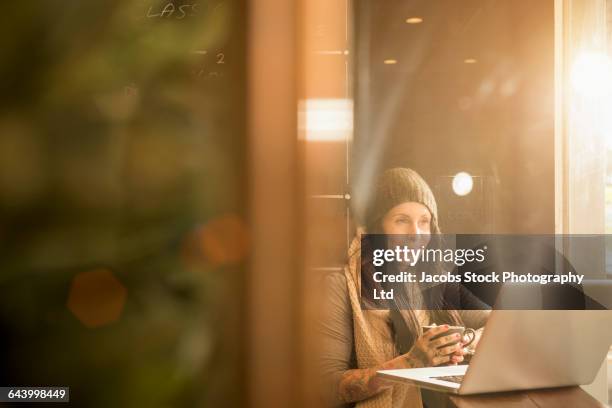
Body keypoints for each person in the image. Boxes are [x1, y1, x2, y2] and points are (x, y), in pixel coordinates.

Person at [319, 168, 490, 408]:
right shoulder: (341, 287)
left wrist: (458, 343)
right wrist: (410, 363)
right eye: (402, 221)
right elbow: (327, 387)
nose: (416, 234)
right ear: (377, 228)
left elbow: (494, 324)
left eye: (424, 222)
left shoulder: (437, 281)